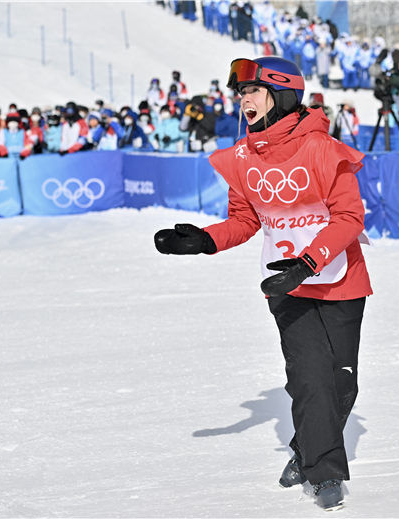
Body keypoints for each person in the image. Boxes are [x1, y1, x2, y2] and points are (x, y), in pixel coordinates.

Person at [153, 56, 371, 512]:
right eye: (241, 93)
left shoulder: (322, 149)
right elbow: (244, 220)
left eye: (252, 91)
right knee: (309, 377)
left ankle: (304, 448)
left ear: (283, 94)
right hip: (284, 285)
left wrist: (308, 262)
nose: (243, 100)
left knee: (340, 384)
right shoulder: (244, 157)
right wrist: (205, 241)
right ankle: (325, 473)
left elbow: (350, 217)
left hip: (338, 280)